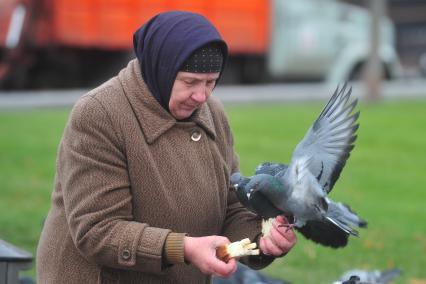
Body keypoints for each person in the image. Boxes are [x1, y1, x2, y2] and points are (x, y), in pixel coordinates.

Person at [36, 11, 297, 283]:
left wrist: (261, 237)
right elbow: (98, 230)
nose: (201, 96)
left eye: (210, 82)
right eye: (190, 82)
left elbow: (230, 206)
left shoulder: (212, 113)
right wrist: (183, 248)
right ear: (160, 67)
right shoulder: (100, 114)